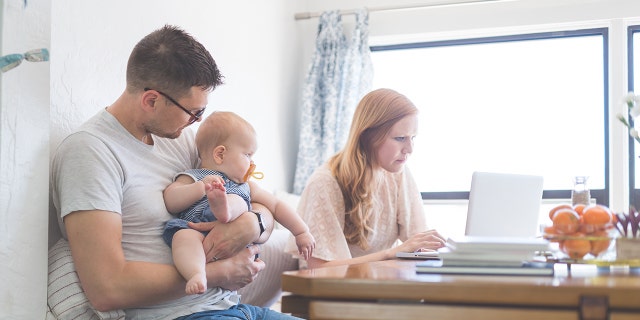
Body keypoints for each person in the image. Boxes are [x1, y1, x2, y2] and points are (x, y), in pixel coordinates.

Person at [51, 24, 302, 319]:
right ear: (151, 100)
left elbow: (252, 194)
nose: (196, 122)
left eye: (202, 113)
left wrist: (253, 224)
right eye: (192, 112)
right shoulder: (91, 153)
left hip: (230, 307)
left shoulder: (181, 140)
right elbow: (107, 288)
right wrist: (220, 272)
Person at [287, 88, 446, 269]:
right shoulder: (326, 182)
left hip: (378, 283)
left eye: (413, 138)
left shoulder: (398, 173)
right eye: (400, 138)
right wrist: (389, 254)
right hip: (333, 289)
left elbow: (419, 239)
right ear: (368, 137)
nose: (409, 149)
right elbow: (318, 267)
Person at [163, 111, 315, 295]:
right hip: (197, 233)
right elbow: (171, 200)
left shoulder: (247, 186)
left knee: (239, 201)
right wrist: (200, 188)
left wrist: (301, 231)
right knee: (182, 237)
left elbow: (276, 206)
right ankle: (197, 274)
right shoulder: (194, 176)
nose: (252, 164)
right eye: (248, 155)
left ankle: (224, 208)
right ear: (220, 154)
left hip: (233, 247)